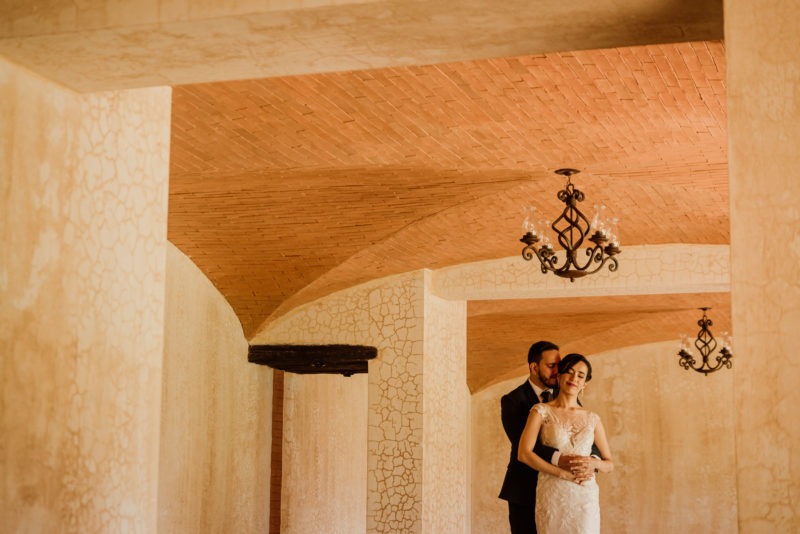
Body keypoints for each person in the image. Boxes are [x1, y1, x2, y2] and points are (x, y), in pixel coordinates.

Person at [499, 341, 597, 534]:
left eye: (559, 367)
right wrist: (560, 460)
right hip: (525, 488)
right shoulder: (513, 400)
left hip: (563, 490)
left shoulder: (568, 395)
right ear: (534, 367)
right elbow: (526, 446)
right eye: (551, 366)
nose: (557, 372)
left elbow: (584, 432)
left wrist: (591, 461)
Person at [517, 353, 614, 534]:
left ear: (585, 384)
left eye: (580, 375)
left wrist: (594, 463)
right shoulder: (540, 411)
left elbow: (609, 463)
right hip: (552, 492)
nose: (574, 378)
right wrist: (561, 474)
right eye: (569, 372)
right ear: (559, 376)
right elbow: (524, 453)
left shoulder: (593, 418)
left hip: (585, 496)